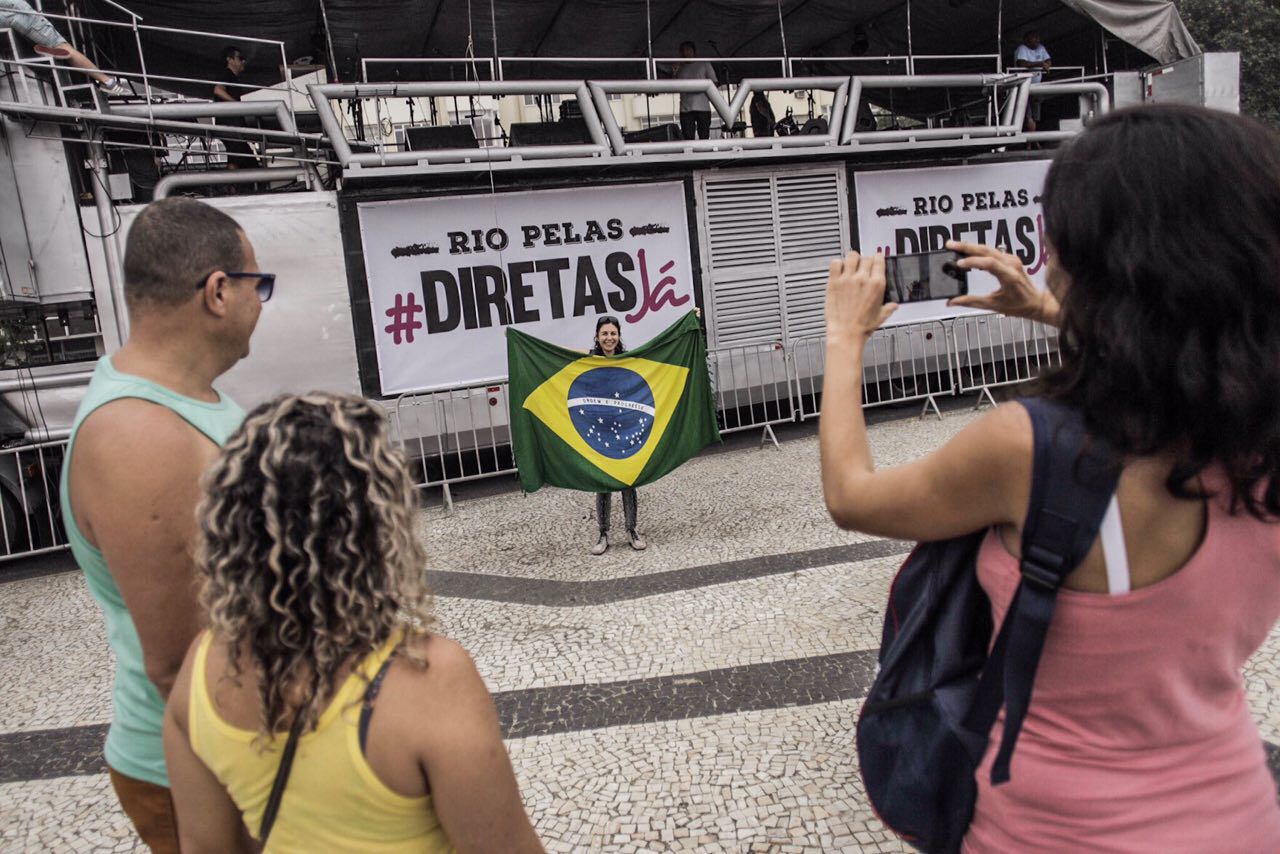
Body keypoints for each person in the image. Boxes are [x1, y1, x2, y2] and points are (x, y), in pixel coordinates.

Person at [820, 104, 1280, 850]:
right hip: (1237, 815)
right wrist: (1048, 310)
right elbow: (1186, 353)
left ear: (1102, 259)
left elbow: (852, 495)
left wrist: (843, 338)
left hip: (1051, 829)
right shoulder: (1257, 432)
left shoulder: (1031, 448)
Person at [162, 392, 544, 853]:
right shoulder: (429, 679)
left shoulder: (202, 670)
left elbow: (203, 846)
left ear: (233, 526)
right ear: (379, 525)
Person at [61, 197, 270, 852]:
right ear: (217, 292)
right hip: (203, 768)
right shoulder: (138, 437)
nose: (261, 301)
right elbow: (183, 660)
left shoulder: (189, 399)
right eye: (257, 285)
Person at [589, 315, 647, 555]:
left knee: (628, 479)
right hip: (600, 429)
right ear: (597, 337)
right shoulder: (589, 362)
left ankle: (632, 529)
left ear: (619, 336)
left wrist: (691, 320)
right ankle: (603, 533)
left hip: (625, 427)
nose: (609, 338)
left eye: (613, 333)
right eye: (604, 334)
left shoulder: (628, 361)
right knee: (603, 482)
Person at [0, 0, 127, 93]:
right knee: (65, 49)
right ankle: (107, 82)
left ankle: (108, 82)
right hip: (24, 20)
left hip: (25, 19)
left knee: (67, 51)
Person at [212, 45, 258, 169]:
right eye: (239, 58)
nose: (243, 61)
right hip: (229, 126)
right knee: (238, 159)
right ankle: (231, 186)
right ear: (230, 59)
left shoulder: (232, 77)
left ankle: (234, 186)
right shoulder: (226, 74)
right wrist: (236, 104)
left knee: (243, 159)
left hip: (234, 126)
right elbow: (218, 90)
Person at [674, 40, 716, 141]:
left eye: (688, 50)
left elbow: (714, 82)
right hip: (685, 108)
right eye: (683, 51)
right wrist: (674, 72)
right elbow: (673, 85)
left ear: (694, 51)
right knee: (687, 136)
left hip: (703, 107)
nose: (686, 53)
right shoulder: (679, 68)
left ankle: (705, 156)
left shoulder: (704, 64)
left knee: (704, 135)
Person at [1014, 30, 1051, 132]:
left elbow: (1048, 60)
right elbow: (1022, 63)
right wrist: (1040, 64)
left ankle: (1033, 142)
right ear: (1026, 40)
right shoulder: (1022, 49)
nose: (1037, 39)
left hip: (1036, 86)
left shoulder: (1041, 48)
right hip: (1023, 86)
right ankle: (1030, 143)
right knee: (1027, 115)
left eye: (1038, 37)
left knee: (1035, 116)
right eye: (1034, 37)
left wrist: (1046, 64)